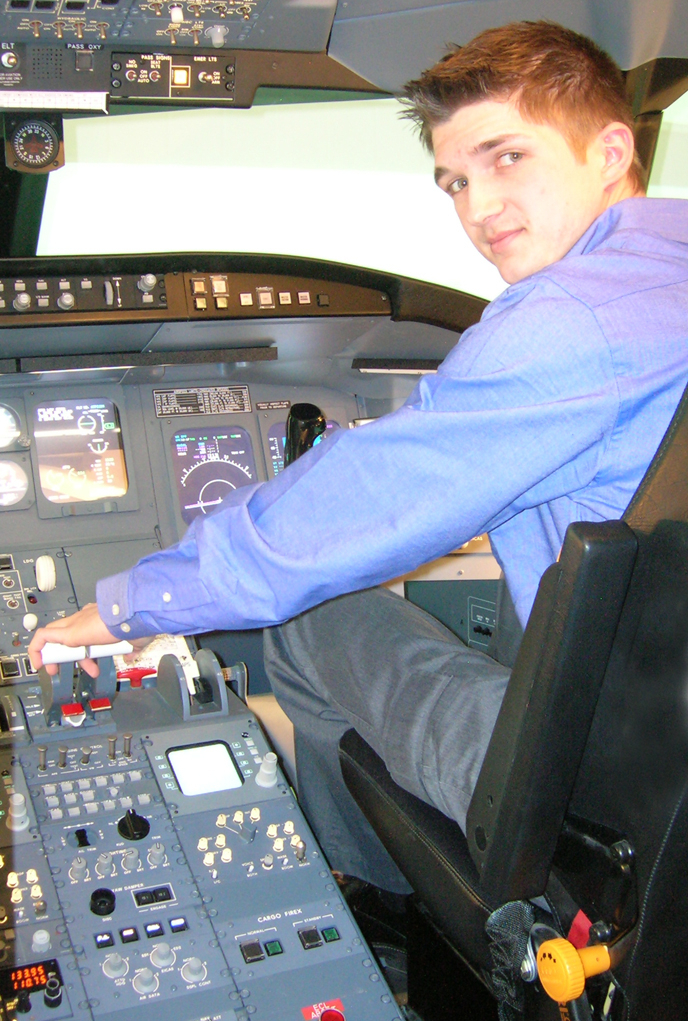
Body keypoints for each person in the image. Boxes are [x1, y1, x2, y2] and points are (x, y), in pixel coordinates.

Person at [29, 21, 688, 895]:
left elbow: (363, 502)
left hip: (612, 805)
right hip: (664, 741)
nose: (478, 208)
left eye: (507, 157)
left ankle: (377, 901)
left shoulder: (569, 321)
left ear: (610, 152)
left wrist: (137, 601)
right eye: (456, 181)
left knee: (311, 615)